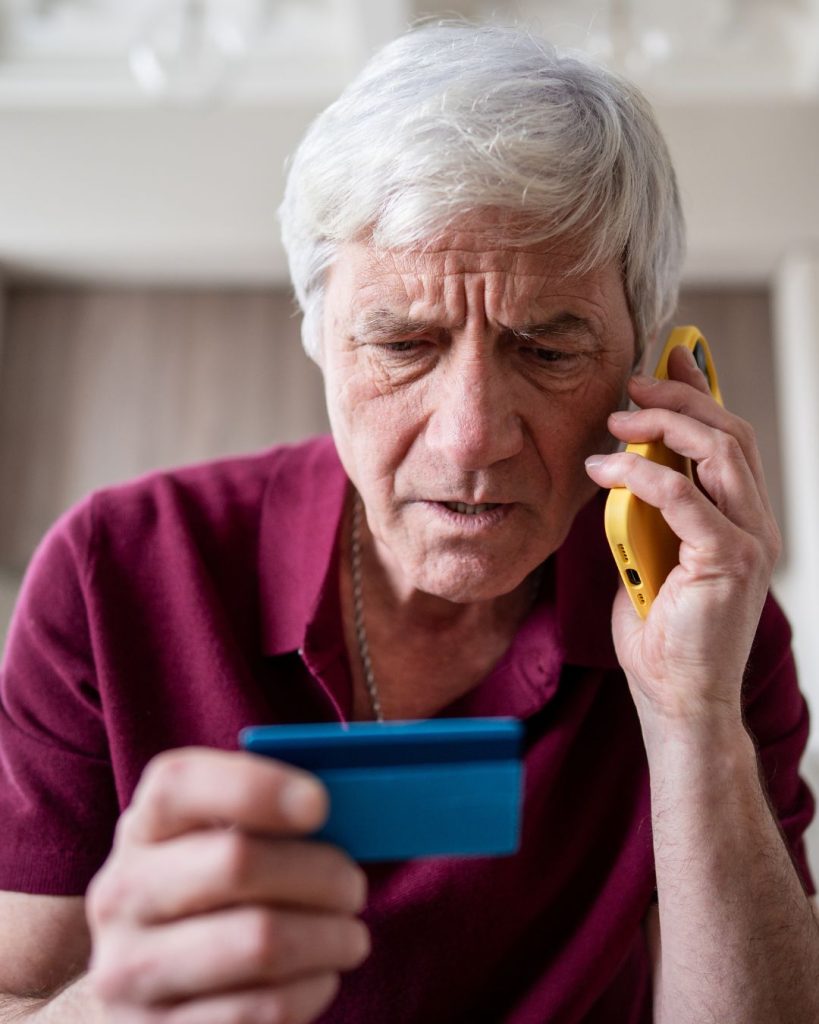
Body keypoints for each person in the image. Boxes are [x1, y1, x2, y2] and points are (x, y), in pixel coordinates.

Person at [0, 20, 817, 1024]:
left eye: (548, 353)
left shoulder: (711, 620)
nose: (471, 439)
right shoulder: (110, 573)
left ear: (647, 370)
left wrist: (693, 716)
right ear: (318, 334)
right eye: (403, 342)